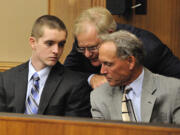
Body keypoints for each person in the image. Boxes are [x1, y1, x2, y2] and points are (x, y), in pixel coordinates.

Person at [64, 7, 180, 89]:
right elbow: (66, 74)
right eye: (82, 49)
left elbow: (176, 82)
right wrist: (91, 78)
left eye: (93, 48)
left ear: (110, 34)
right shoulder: (86, 42)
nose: (87, 54)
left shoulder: (148, 48)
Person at [0, 15, 91, 117]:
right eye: (50, 43)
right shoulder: (6, 79)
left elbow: (73, 130)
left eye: (61, 44)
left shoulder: (75, 84)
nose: (56, 51)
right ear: (33, 42)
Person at [90, 30, 180, 124]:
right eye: (101, 64)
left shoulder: (174, 90)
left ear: (130, 62)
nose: (102, 71)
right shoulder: (99, 96)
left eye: (108, 64)